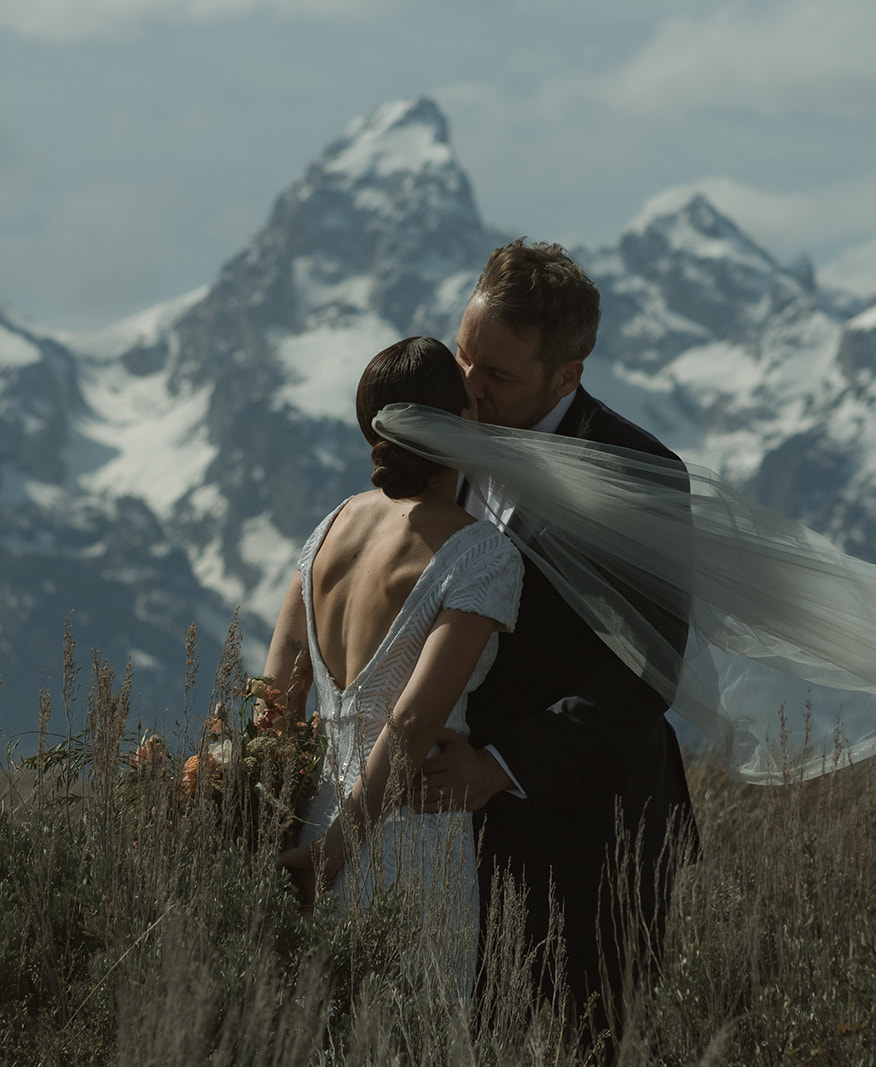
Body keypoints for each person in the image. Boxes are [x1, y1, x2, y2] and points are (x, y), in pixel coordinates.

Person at [416, 239, 700, 1034]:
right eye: (466, 356)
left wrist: (498, 768)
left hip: (595, 832)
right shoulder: (445, 432)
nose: (469, 388)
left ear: (566, 376)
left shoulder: (639, 472)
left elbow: (648, 671)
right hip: (452, 840)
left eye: (497, 375)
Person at [271, 335, 524, 996]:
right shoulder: (481, 554)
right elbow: (412, 720)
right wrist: (336, 857)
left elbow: (275, 697)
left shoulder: (326, 531)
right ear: (455, 424)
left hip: (312, 828)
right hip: (407, 840)